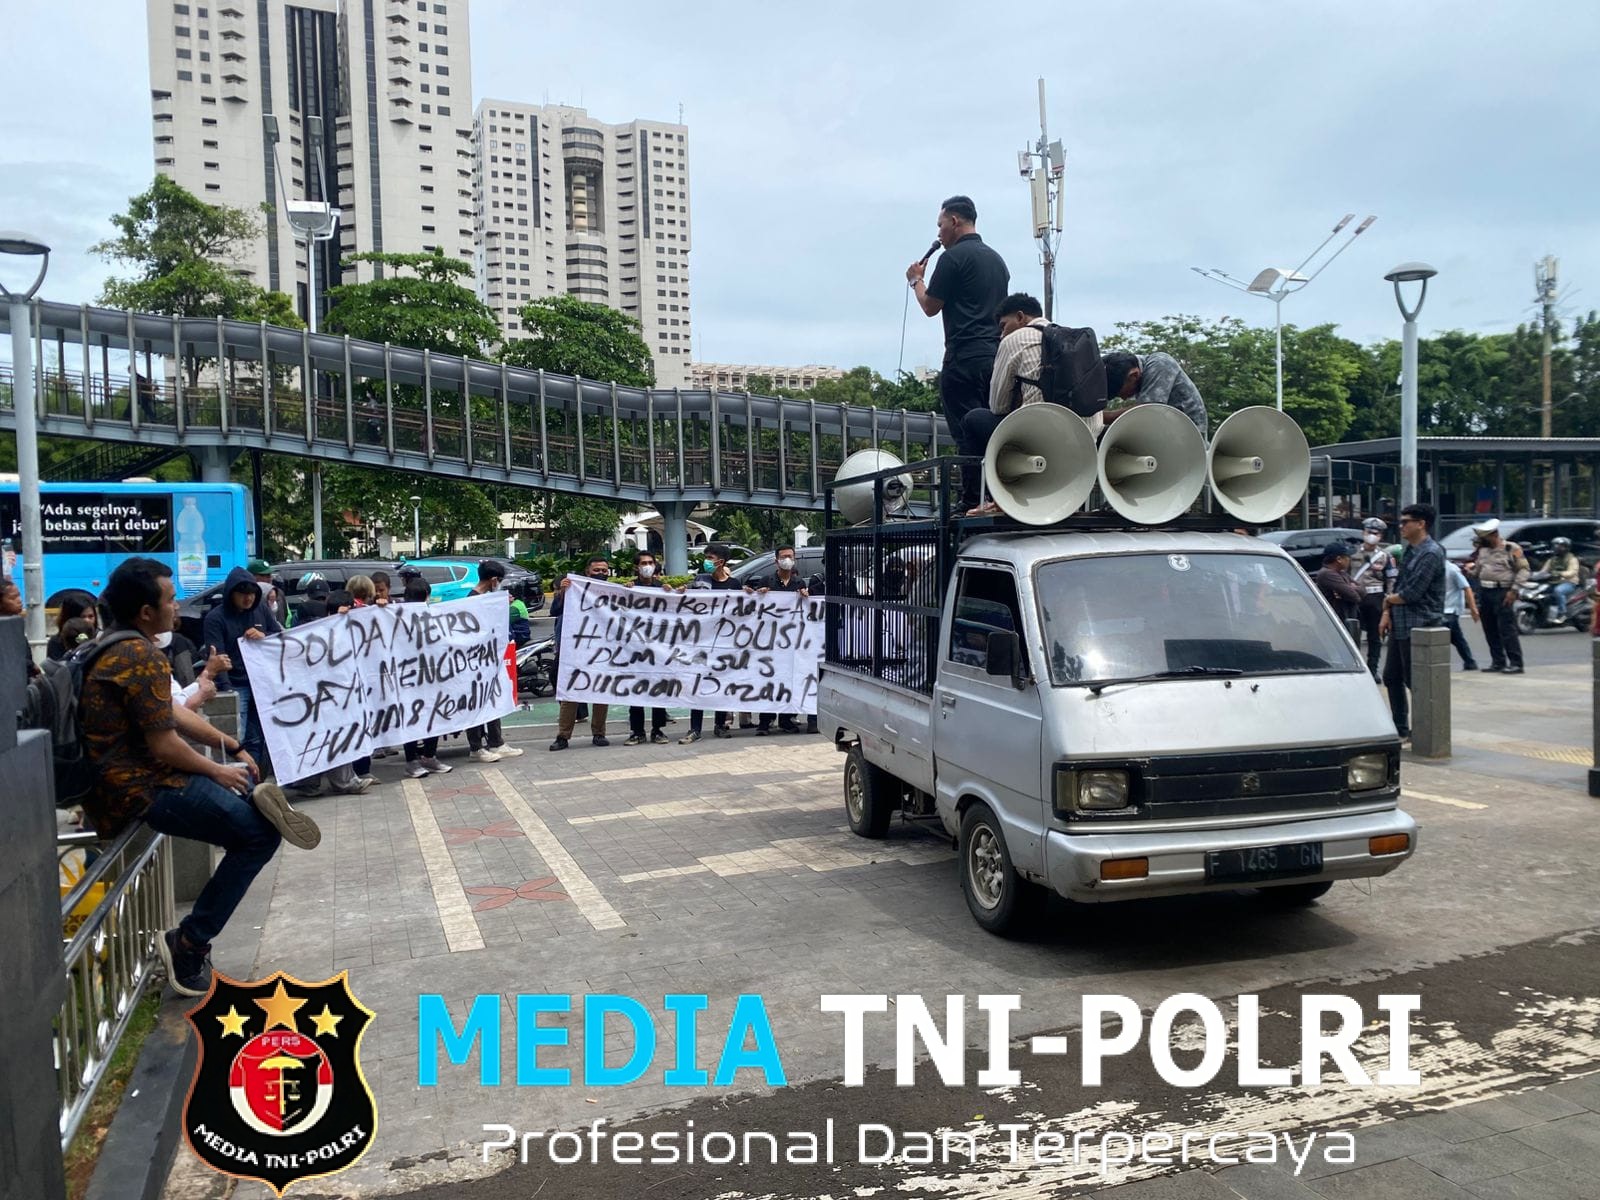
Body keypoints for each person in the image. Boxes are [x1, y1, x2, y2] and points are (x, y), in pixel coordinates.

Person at [82, 556, 320, 996]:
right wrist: (218, 770)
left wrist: (230, 746)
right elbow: (164, 742)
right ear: (146, 611)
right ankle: (189, 943)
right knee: (258, 838)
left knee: (246, 804)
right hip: (141, 788)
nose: (178, 608)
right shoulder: (138, 655)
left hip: (142, 779)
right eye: (170, 600)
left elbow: (169, 711)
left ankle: (251, 798)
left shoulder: (115, 644)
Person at [906, 194, 1010, 511]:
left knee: (966, 428)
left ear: (954, 221)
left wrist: (916, 281)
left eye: (940, 225)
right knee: (992, 426)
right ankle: (998, 494)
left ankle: (970, 499)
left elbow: (930, 306)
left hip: (962, 357)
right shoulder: (997, 260)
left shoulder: (952, 259)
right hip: (995, 357)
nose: (938, 234)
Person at [202, 565, 282, 770]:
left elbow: (279, 637)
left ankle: (254, 782)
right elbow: (217, 656)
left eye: (252, 595)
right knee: (239, 737)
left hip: (260, 683)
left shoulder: (261, 610)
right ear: (231, 594)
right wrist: (227, 689)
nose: (248, 599)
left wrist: (264, 637)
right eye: (242, 594)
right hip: (236, 684)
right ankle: (242, 782)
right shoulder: (216, 618)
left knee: (257, 737)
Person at [1379, 503, 1446, 741]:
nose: (1401, 526)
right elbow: (1398, 587)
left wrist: (1388, 601)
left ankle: (1424, 729)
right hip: (1401, 622)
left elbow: (1412, 593)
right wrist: (1387, 611)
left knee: (1415, 681)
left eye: (1406, 522)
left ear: (1421, 524)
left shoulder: (1431, 553)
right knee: (1391, 677)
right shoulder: (1409, 550)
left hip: (1420, 624)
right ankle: (1400, 728)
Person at [453, 560, 525, 762]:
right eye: (499, 581)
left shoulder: (487, 600)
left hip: (489, 662)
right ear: (494, 580)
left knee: (493, 699)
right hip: (475, 664)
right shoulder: (474, 600)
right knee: (476, 703)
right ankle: (476, 747)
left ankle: (496, 742)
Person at [550, 554, 613, 751]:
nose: (601, 574)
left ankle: (599, 733)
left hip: (603, 651)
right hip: (574, 650)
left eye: (604, 570)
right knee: (570, 694)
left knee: (601, 693)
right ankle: (563, 736)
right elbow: (555, 610)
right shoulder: (572, 589)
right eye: (597, 570)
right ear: (587, 572)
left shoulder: (614, 592)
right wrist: (563, 592)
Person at [397, 577, 453, 777]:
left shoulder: (432, 616)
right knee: (414, 718)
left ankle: (428, 757)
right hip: (410, 678)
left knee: (431, 715)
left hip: (429, 676)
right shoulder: (396, 616)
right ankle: (412, 760)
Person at [753, 546, 809, 735]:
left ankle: (786, 720)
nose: (787, 559)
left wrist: (805, 596)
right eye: (784, 557)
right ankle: (764, 722)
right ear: (776, 560)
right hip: (768, 642)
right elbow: (754, 604)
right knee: (768, 681)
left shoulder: (798, 582)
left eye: (790, 557)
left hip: (790, 642)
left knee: (788, 680)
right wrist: (759, 593)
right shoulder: (767, 580)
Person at [1464, 518, 1529, 673]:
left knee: (1507, 629)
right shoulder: (1483, 550)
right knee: (1489, 628)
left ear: (1494, 535)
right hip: (1485, 591)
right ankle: (1498, 661)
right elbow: (1479, 571)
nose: (1482, 540)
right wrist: (1469, 571)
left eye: (1485, 537)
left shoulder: (1510, 548)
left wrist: (1514, 590)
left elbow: (1524, 570)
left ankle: (1516, 663)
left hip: (1503, 591)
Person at [623, 550, 673, 746]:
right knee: (636, 691)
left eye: (650, 562)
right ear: (636, 567)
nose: (647, 566)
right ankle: (637, 731)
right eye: (643, 563)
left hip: (658, 649)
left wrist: (673, 593)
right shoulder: (630, 588)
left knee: (657, 690)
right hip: (634, 650)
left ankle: (658, 730)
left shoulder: (662, 588)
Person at [1101, 351, 1208, 435]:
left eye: (1121, 393)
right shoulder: (1139, 373)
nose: (1124, 398)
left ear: (1134, 375)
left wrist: (1102, 418)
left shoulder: (1160, 363)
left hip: (1190, 438)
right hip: (1168, 431)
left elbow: (1148, 411)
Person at [1348, 517, 1393, 678]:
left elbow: (1391, 579)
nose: (1372, 535)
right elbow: (1345, 573)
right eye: (1369, 532)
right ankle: (1356, 669)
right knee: (1354, 634)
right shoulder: (1352, 552)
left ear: (1381, 536)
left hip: (1376, 598)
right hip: (1356, 597)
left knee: (1375, 636)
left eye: (1376, 533)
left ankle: (1373, 671)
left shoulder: (1385, 556)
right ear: (1363, 532)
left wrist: (1388, 600)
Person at [1442, 558, 1480, 671]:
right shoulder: (1434, 568)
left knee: (1441, 638)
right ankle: (1470, 662)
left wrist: (1473, 608)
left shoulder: (1452, 570)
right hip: (1441, 609)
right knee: (1457, 638)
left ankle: (1440, 666)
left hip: (1450, 609)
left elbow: (1466, 588)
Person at [1311, 543, 1361, 624]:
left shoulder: (1342, 573)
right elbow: (1354, 596)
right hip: (1334, 621)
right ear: (1339, 559)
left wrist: (1349, 589)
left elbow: (1363, 590)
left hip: (1346, 618)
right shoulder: (1327, 574)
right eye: (1347, 557)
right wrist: (1350, 588)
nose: (1349, 559)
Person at [46, 594, 99, 661]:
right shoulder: (56, 642)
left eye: (90, 616)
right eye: (82, 617)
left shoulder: (101, 637)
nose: (87, 621)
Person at [1541, 537, 1582, 618]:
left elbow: (1572, 572)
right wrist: (1532, 575)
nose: (1557, 548)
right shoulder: (1552, 560)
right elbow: (1543, 571)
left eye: (1560, 546)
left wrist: (1560, 574)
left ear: (1566, 547)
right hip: (1553, 582)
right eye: (1555, 545)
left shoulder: (1572, 559)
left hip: (1569, 582)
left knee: (1558, 591)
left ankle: (1562, 613)